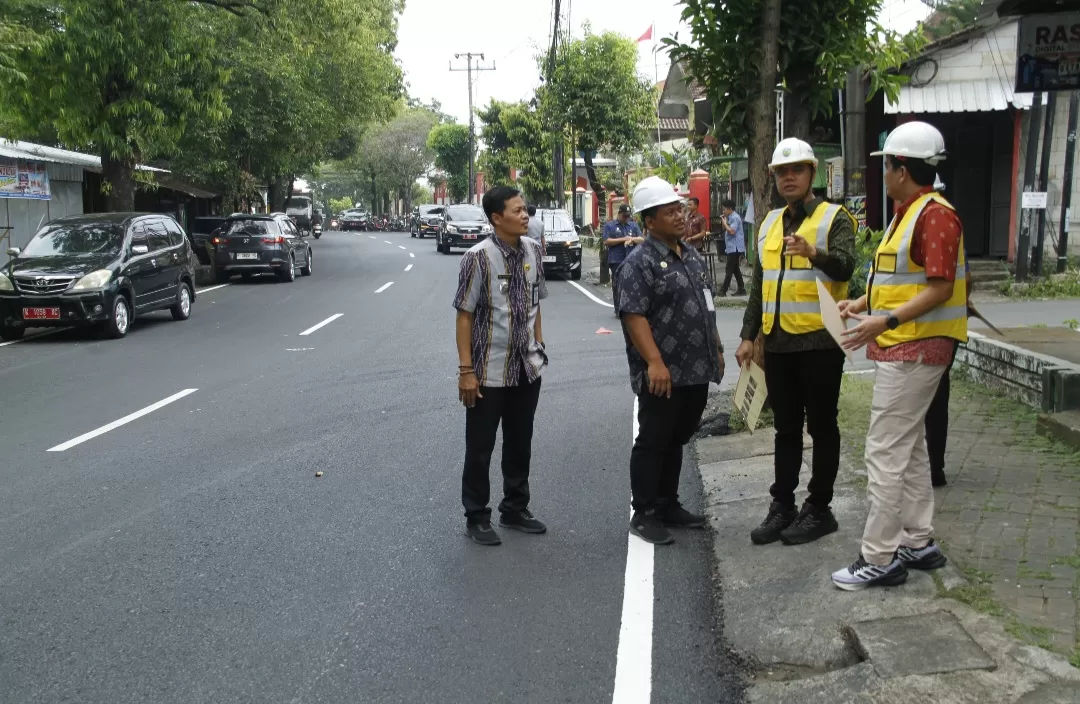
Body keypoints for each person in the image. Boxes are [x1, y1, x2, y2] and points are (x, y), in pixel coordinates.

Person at [831, 121, 966, 590]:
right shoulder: (908, 214)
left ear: (901, 169)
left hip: (915, 347)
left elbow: (940, 287)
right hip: (905, 345)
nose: (882, 173)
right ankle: (918, 541)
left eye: (885, 165)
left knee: (885, 451)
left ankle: (880, 557)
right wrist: (861, 304)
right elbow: (899, 280)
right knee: (909, 448)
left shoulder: (934, 215)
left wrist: (884, 321)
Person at [735, 137, 856, 547]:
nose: (789, 177)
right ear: (774, 177)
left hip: (821, 344)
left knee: (821, 427)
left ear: (812, 173)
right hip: (778, 345)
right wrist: (747, 336)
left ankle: (819, 508)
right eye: (782, 172)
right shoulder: (769, 223)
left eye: (797, 170)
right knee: (785, 429)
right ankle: (782, 505)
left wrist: (814, 252)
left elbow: (846, 267)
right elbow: (759, 286)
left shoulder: (834, 218)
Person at [617, 176, 726, 545]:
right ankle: (645, 512)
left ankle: (668, 504)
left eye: (679, 209)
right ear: (650, 221)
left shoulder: (690, 255)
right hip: (663, 371)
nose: (680, 216)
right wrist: (654, 362)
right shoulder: (639, 262)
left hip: (696, 367)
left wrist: (717, 347)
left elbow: (707, 304)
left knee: (677, 437)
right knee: (654, 439)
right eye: (670, 212)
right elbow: (633, 315)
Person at [453, 186, 550, 546]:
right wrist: (466, 371)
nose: (525, 216)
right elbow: (464, 316)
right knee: (480, 448)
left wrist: (539, 347)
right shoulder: (477, 258)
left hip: (527, 369)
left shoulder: (534, 251)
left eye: (525, 210)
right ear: (497, 218)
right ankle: (477, 516)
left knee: (520, 442)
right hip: (488, 372)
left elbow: (537, 305)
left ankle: (515, 508)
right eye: (517, 211)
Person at [924, 259, 971, 488]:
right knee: (938, 396)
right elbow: (967, 279)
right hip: (947, 329)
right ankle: (934, 466)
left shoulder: (935, 238)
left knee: (929, 398)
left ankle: (930, 466)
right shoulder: (956, 244)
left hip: (930, 330)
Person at [602, 204, 644, 316]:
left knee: (632, 284)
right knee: (618, 284)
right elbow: (606, 241)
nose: (626, 218)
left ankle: (631, 308)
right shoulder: (610, 226)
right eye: (624, 216)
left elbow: (642, 239)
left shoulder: (633, 225)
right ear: (619, 214)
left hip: (632, 259)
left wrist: (632, 239)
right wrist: (622, 239)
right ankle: (618, 309)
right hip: (616, 259)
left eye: (628, 216)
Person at [718, 199, 746, 296]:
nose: (723, 211)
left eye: (724, 209)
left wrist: (725, 223)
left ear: (730, 209)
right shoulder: (730, 217)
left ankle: (723, 290)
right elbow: (726, 228)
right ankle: (742, 289)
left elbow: (732, 231)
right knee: (735, 269)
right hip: (731, 247)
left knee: (729, 269)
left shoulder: (735, 218)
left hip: (735, 247)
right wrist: (725, 222)